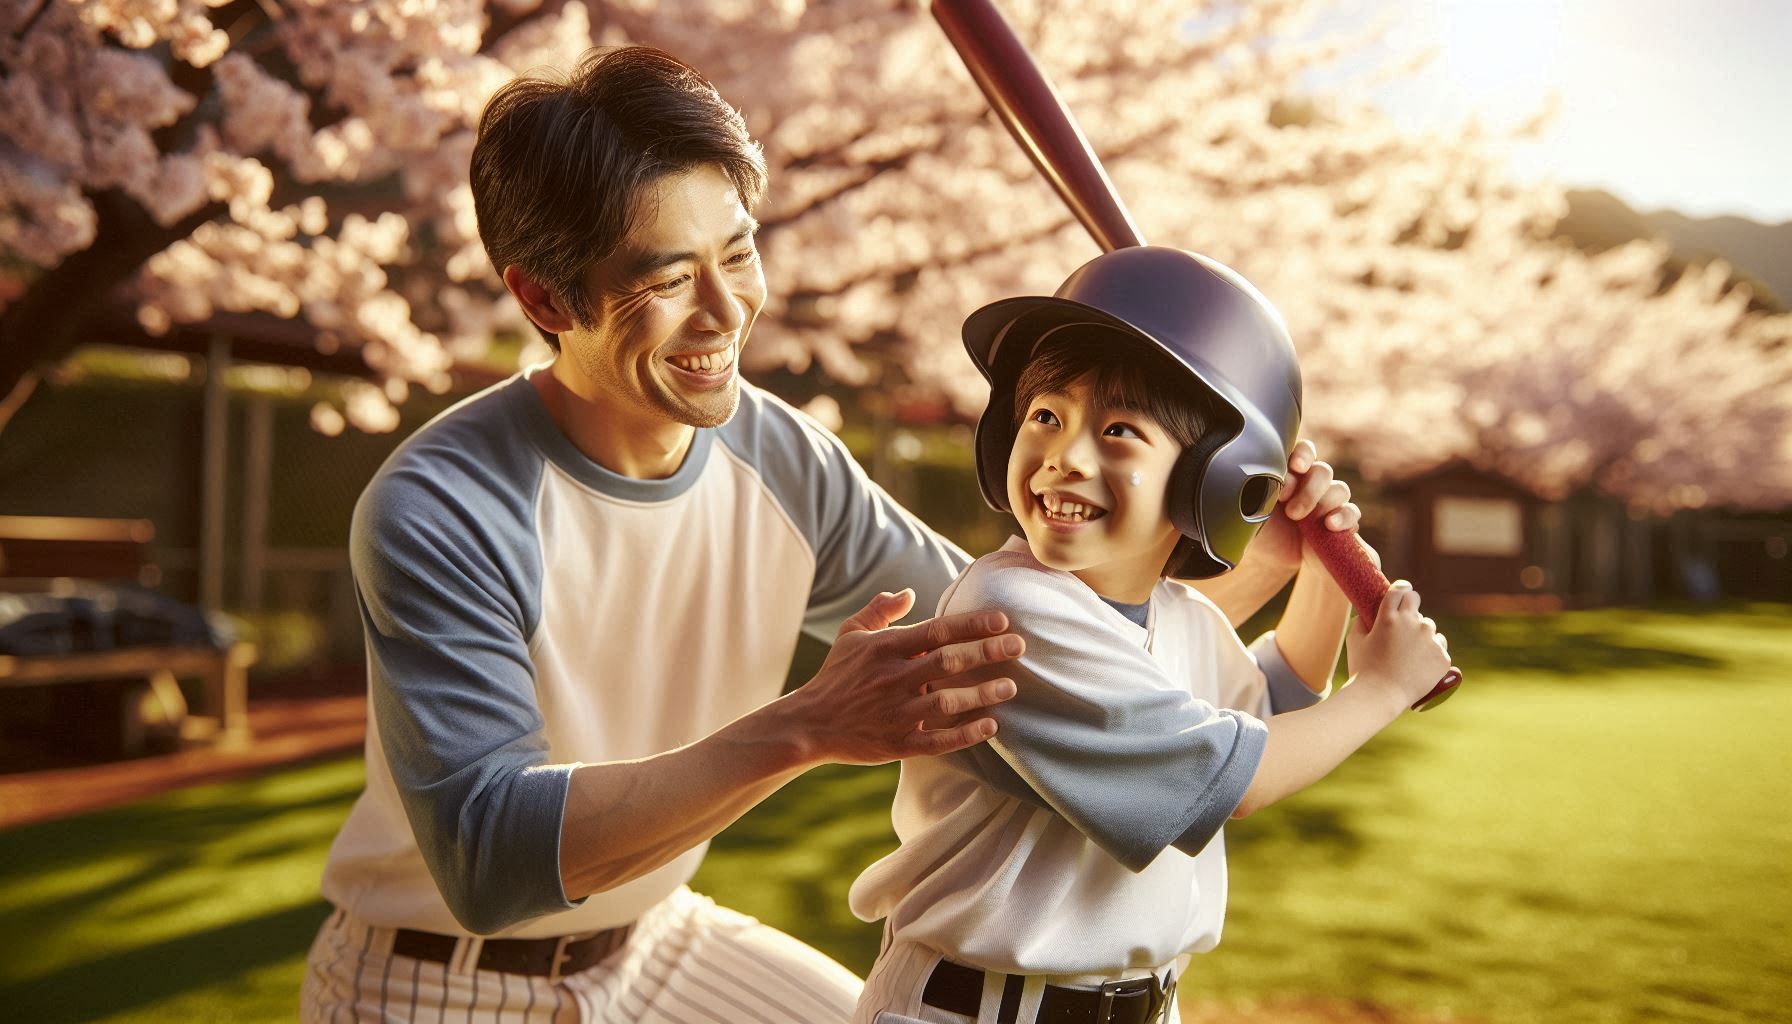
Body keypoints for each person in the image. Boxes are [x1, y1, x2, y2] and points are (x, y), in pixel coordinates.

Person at [298, 47, 1042, 1023]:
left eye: (736, 253)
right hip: (436, 979)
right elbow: (490, 858)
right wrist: (807, 726)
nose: (729, 310)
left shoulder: (782, 457)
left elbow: (1007, 643)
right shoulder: (445, 505)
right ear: (545, 300)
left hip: (656, 939)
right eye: (668, 277)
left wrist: (1235, 547)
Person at [848, 246, 1455, 1024]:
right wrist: (1385, 689)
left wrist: (1314, 564)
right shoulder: (1013, 609)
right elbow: (1238, 781)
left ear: (1214, 476)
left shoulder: (1167, 613)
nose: (1064, 457)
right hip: (980, 1008)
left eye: (1119, 430)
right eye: (1045, 416)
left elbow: (1274, 708)